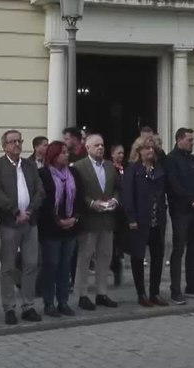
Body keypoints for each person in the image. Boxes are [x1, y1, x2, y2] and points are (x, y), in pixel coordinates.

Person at [0, 129, 46, 325]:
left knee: (31, 264)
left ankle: (28, 305)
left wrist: (29, 211)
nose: (17, 145)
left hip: (30, 221)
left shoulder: (29, 165)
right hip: (9, 223)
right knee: (8, 266)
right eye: (12, 142)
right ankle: (9, 307)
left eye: (19, 141)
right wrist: (15, 211)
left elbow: (39, 190)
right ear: (4, 146)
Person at [72, 133, 120, 311]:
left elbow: (116, 187)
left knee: (105, 257)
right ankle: (82, 295)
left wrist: (115, 200)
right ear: (88, 148)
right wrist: (91, 203)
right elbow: (76, 192)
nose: (100, 148)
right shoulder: (78, 167)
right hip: (89, 220)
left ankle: (102, 292)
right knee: (85, 258)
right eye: (96, 145)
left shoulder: (109, 166)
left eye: (102, 145)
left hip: (107, 219)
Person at [164, 127, 194, 303]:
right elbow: (174, 185)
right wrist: (192, 200)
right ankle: (175, 289)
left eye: (192, 140)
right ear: (179, 140)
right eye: (189, 140)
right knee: (178, 249)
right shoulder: (171, 160)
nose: (192, 143)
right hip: (181, 211)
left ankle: (192, 285)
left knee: (193, 248)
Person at [121, 136, 167, 306]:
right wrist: (131, 218)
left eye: (152, 149)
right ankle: (141, 293)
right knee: (138, 256)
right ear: (138, 151)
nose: (150, 151)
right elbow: (127, 196)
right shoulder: (133, 169)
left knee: (157, 257)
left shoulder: (158, 169)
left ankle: (155, 291)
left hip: (157, 220)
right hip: (140, 219)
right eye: (146, 148)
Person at [37, 141, 81, 317]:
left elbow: (79, 198)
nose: (66, 155)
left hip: (70, 227)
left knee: (65, 266)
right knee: (51, 265)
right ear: (53, 155)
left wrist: (75, 218)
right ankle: (49, 302)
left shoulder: (74, 173)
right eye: (62, 152)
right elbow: (44, 202)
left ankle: (63, 301)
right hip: (51, 228)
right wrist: (57, 220)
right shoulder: (44, 174)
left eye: (66, 152)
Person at [109, 144, 128, 287]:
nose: (121, 156)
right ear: (112, 154)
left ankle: (117, 262)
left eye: (122, 153)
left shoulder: (125, 168)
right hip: (112, 208)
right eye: (118, 153)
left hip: (123, 208)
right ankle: (114, 264)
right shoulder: (109, 168)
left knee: (120, 239)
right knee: (111, 240)